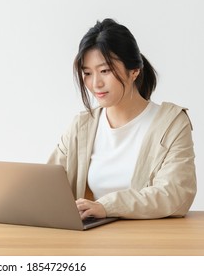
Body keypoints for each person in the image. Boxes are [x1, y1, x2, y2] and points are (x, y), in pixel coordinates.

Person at [48, 18, 197, 220]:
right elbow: (47, 185)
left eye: (105, 71)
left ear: (134, 71)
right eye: (87, 73)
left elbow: (176, 195)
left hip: (148, 240)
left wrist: (107, 206)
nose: (96, 83)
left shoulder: (171, 123)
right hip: (93, 240)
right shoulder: (82, 126)